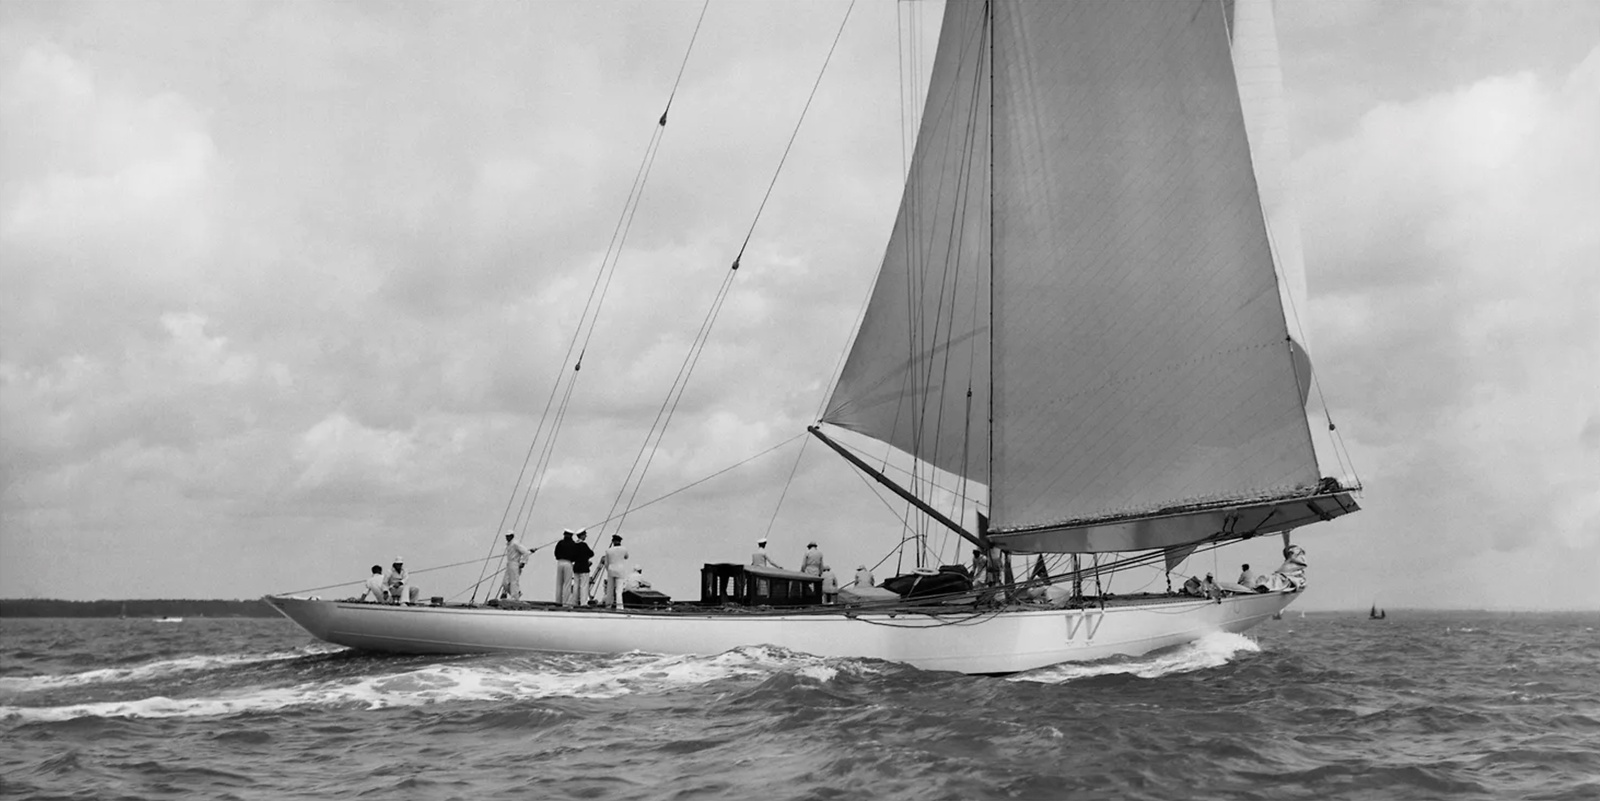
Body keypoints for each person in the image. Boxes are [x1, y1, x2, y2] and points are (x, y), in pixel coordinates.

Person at [597, 534, 630, 609]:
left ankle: (608, 605)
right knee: (619, 590)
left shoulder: (608, 551)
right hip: (620, 570)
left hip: (611, 570)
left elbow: (606, 563)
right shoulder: (624, 549)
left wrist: (608, 570)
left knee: (610, 589)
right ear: (620, 541)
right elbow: (626, 557)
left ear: (613, 542)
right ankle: (619, 606)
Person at [499, 530, 532, 601]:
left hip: (515, 563)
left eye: (508, 536)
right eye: (506, 536)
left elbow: (525, 552)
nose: (507, 538)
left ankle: (515, 598)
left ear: (512, 536)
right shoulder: (508, 544)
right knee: (505, 583)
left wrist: (523, 562)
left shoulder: (515, 544)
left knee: (514, 581)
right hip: (509, 563)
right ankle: (516, 593)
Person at [553, 529, 578, 605]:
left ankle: (558, 601)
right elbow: (575, 555)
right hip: (568, 563)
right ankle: (566, 602)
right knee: (567, 583)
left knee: (559, 583)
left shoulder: (560, 543)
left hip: (560, 562)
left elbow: (556, 553)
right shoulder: (573, 544)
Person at [571, 529, 594, 606]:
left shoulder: (574, 545)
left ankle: (574, 602)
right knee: (584, 585)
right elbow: (591, 553)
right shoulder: (584, 545)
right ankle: (583, 602)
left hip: (576, 567)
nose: (586, 536)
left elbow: (573, 557)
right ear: (582, 535)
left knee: (576, 585)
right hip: (584, 567)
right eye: (585, 535)